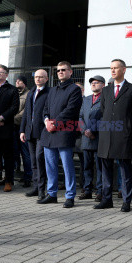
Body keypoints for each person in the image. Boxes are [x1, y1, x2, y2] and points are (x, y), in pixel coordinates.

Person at [95, 59, 132, 212]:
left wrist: (130, 130)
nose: (113, 71)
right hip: (106, 135)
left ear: (124, 69)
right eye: (111, 68)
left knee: (125, 169)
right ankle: (106, 199)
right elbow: (103, 111)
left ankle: (126, 201)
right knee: (106, 169)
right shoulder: (107, 90)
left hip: (123, 135)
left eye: (116, 68)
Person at [39, 61, 83, 208]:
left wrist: (54, 123)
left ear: (70, 72)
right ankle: (51, 194)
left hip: (64, 133)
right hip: (49, 133)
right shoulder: (52, 90)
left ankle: (70, 196)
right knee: (50, 166)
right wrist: (46, 121)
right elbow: (45, 108)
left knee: (67, 166)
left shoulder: (74, 90)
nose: (60, 72)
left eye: (64, 70)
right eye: (58, 70)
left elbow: (71, 110)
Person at [20, 69, 50, 200]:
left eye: (41, 77)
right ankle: (36, 187)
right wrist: (22, 130)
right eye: (36, 77)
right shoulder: (31, 92)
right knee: (33, 161)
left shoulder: (49, 92)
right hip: (29, 132)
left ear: (47, 79)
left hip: (42, 132)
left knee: (39, 159)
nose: (38, 79)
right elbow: (26, 113)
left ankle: (42, 190)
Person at [78, 75, 105, 201]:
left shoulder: (106, 99)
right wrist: (85, 131)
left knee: (100, 166)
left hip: (99, 137)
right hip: (86, 138)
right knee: (87, 166)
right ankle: (87, 190)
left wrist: (93, 130)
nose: (93, 84)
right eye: (92, 83)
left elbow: (105, 117)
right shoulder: (87, 99)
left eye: (97, 82)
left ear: (103, 85)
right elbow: (80, 117)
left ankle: (100, 191)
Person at [14, 75, 32, 187]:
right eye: (16, 80)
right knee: (14, 153)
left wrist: (11, 117)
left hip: (23, 128)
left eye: (19, 80)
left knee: (26, 154)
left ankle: (28, 177)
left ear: (24, 83)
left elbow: (26, 112)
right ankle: (17, 174)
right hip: (13, 128)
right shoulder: (14, 94)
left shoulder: (29, 94)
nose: (17, 82)